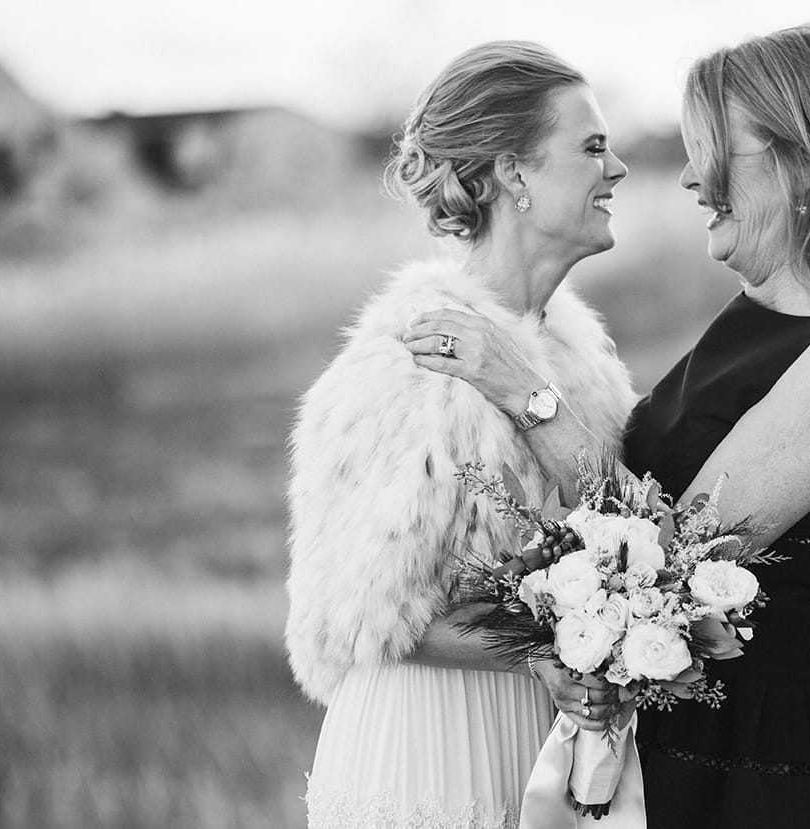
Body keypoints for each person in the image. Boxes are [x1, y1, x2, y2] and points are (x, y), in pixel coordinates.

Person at [406, 21, 810, 828]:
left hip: (759, 762)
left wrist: (520, 385)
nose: (690, 178)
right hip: (675, 735)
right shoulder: (750, 318)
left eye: (717, 153)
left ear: (807, 170)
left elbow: (674, 554)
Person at [285, 41, 636, 829]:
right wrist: (541, 649)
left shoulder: (589, 372)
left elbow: (626, 539)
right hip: (434, 750)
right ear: (513, 174)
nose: (615, 171)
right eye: (591, 149)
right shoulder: (411, 362)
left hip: (548, 743)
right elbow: (361, 613)